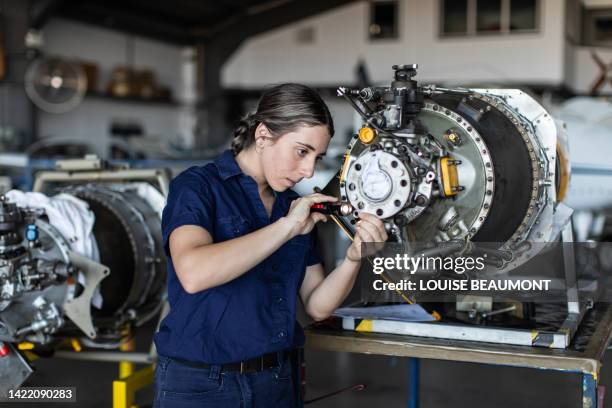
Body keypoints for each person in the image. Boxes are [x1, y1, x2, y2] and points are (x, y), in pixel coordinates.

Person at [153, 83, 387, 407]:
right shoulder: (197, 187)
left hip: (276, 382)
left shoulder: (293, 206)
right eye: (301, 151)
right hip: (201, 384)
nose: (309, 170)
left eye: (316, 158)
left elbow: (317, 305)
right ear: (263, 135)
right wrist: (287, 227)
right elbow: (194, 272)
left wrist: (353, 258)